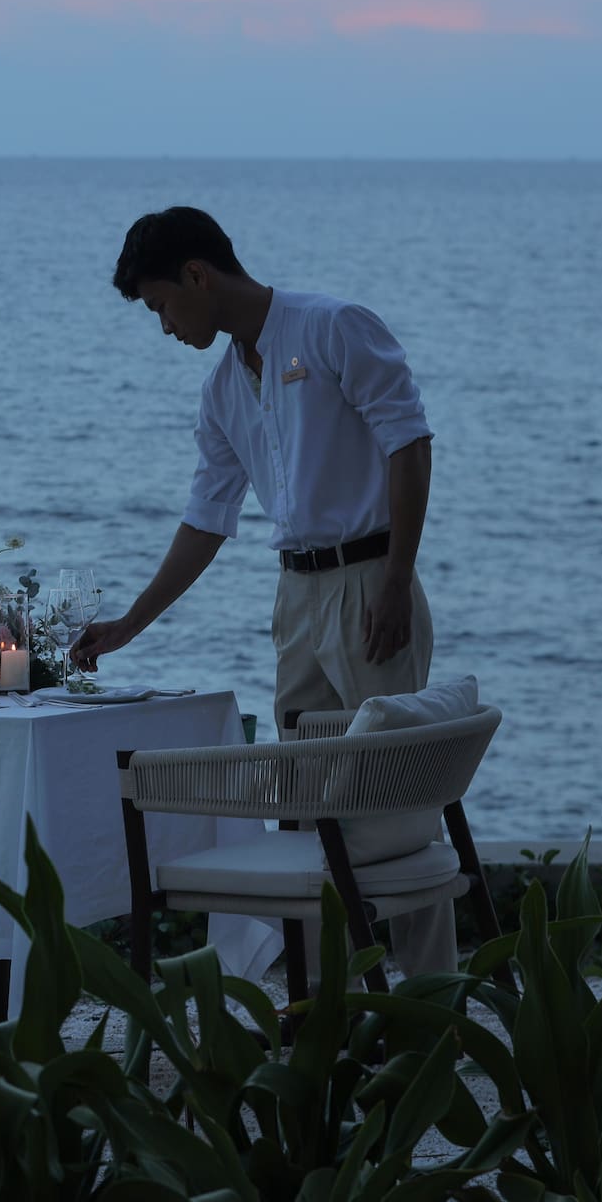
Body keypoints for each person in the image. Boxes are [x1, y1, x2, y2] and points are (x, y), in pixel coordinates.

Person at [71, 204, 453, 978]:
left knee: (394, 802)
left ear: (197, 276)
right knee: (305, 809)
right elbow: (206, 520)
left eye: (162, 306)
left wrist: (395, 578)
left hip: (370, 582)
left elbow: (409, 445)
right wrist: (129, 626)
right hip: (297, 602)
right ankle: (323, 1003)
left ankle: (431, 998)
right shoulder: (221, 392)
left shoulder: (334, 327)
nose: (166, 327)